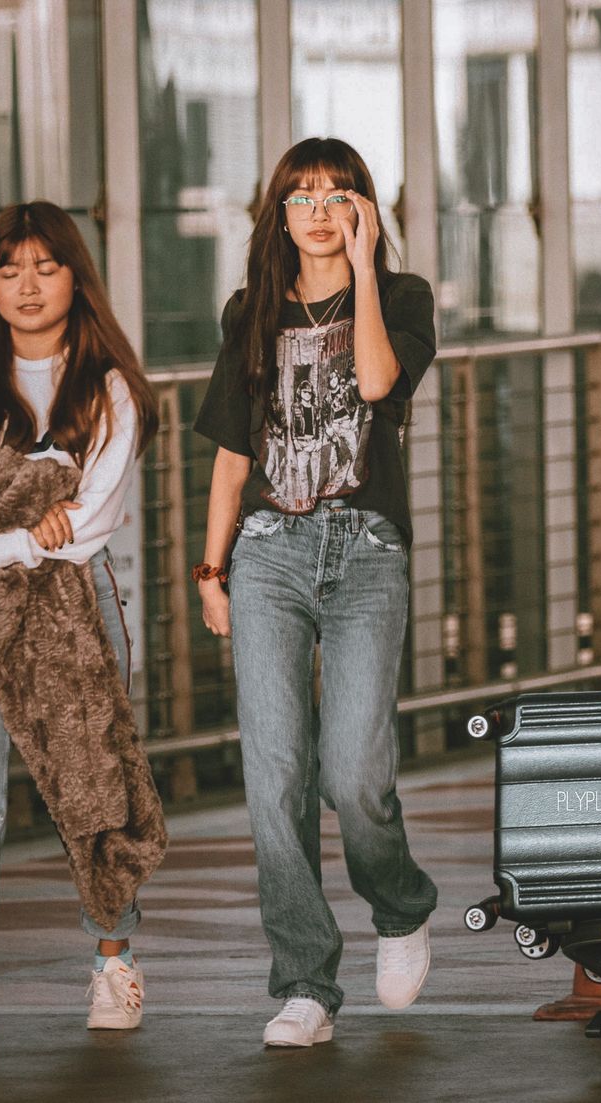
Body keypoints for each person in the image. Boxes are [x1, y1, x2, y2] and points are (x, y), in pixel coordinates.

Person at [194, 136, 438, 1047]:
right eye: (303, 195)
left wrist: (367, 267)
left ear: (364, 210)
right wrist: (212, 570)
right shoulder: (248, 313)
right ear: (280, 214)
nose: (322, 210)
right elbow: (230, 456)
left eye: (341, 194)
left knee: (354, 769)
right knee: (277, 774)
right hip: (269, 552)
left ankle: (401, 901)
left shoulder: (403, 299)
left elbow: (376, 380)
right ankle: (303, 980)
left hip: (367, 551)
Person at [0, 201, 163, 1033]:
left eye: (44, 266)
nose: (25, 285)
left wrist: (6, 530)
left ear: (75, 275)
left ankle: (114, 961)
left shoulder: (107, 387)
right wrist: (27, 532)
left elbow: (90, 523)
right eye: (7, 267)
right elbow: (49, 525)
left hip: (74, 607)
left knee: (96, 786)